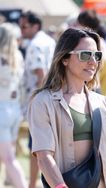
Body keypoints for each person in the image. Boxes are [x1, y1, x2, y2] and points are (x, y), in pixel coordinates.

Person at [27, 28, 106, 188]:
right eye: (85, 55)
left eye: (97, 56)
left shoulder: (102, 102)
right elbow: (44, 157)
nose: (93, 62)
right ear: (64, 58)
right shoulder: (43, 101)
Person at [19, 10, 56, 188]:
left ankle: (32, 185)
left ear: (36, 25)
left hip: (40, 101)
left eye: (24, 26)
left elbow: (41, 74)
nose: (21, 30)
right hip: (54, 98)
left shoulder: (35, 45)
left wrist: (42, 102)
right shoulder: (49, 41)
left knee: (37, 149)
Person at [0, 23, 27, 188]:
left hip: (2, 111)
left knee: (9, 159)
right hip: (14, 109)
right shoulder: (17, 56)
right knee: (5, 156)